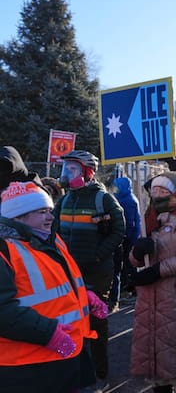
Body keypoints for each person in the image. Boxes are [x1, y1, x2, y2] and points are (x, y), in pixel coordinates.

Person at [0, 181, 107, 392]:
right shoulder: (5, 251)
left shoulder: (51, 240)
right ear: (19, 216)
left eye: (50, 210)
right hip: (28, 368)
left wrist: (83, 295)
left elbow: (55, 284)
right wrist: (49, 334)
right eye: (42, 212)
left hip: (66, 355)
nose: (50, 217)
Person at [52, 150, 125, 392]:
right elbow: (53, 232)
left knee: (95, 323)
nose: (66, 174)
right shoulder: (64, 200)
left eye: (72, 169)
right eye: (66, 169)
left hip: (97, 273)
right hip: (70, 275)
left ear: (88, 172)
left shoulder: (103, 199)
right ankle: (79, 372)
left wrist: (97, 254)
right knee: (72, 323)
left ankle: (100, 375)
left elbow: (119, 230)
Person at [129, 172, 176, 392]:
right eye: (155, 191)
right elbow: (135, 259)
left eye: (164, 191)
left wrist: (157, 271)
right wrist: (136, 253)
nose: (158, 194)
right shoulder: (148, 219)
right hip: (150, 300)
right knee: (157, 363)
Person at [110, 176, 142, 312]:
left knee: (126, 265)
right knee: (128, 264)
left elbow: (128, 222)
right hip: (130, 235)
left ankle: (129, 290)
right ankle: (130, 289)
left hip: (128, 236)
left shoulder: (125, 200)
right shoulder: (129, 197)